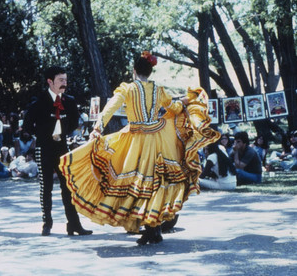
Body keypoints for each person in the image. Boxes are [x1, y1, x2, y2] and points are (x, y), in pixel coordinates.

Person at [58, 51, 220, 245]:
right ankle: (153, 228)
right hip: (158, 138)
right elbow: (174, 108)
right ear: (149, 72)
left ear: (134, 71)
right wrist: (188, 100)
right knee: (155, 182)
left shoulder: (127, 89)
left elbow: (109, 108)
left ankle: (152, 229)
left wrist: (97, 128)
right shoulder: (158, 89)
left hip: (137, 140)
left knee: (139, 183)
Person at [23, 66, 92, 236]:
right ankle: (47, 223)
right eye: (61, 80)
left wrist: (64, 133)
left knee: (68, 186)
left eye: (65, 80)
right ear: (50, 82)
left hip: (62, 147)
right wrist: (42, 135)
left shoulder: (69, 101)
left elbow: (75, 121)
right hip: (44, 148)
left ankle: (74, 224)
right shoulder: (38, 102)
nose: (64, 84)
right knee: (45, 187)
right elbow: (26, 125)